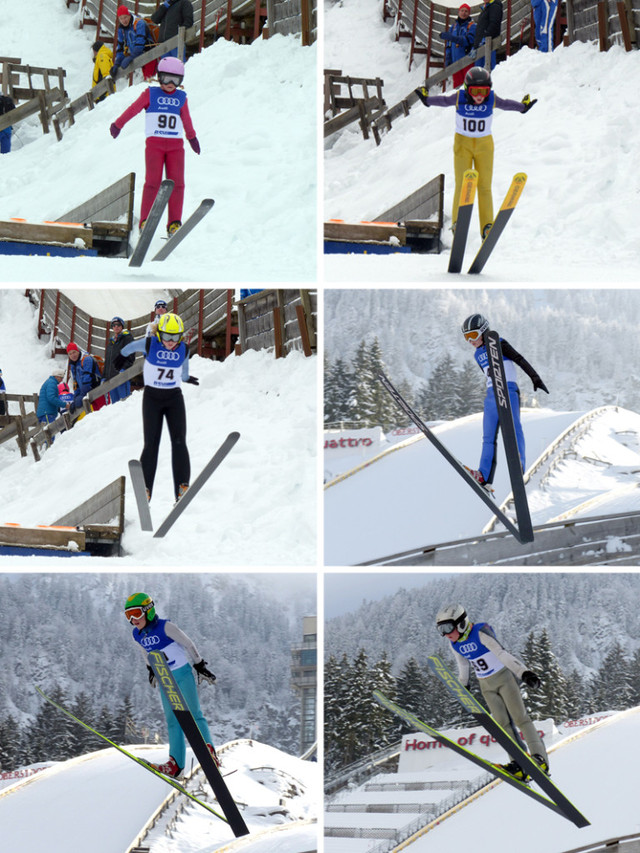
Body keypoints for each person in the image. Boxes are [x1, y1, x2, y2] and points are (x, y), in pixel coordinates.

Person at [414, 68, 536, 237]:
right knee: (462, 184)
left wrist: (522, 107)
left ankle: (487, 225)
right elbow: (443, 100)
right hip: (463, 145)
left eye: (484, 91)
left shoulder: (491, 99)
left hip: (484, 147)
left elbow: (507, 103)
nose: (479, 96)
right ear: (467, 89)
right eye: (475, 91)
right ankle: (457, 223)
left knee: (484, 187)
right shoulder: (459, 98)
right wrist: (427, 99)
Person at [436, 603, 548, 780]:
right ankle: (519, 763)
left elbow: (503, 654)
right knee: (503, 725)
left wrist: (523, 672)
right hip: (485, 685)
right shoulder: (454, 644)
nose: (446, 634)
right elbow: (463, 664)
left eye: (448, 627)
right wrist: (463, 685)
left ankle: (539, 758)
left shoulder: (480, 633)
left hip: (504, 678)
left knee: (521, 719)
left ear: (460, 623)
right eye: (440, 630)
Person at [124, 592, 219, 777]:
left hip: (182, 674)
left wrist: (199, 664)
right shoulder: (137, 634)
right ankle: (175, 764)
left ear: (148, 611)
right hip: (164, 678)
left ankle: (209, 752)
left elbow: (188, 644)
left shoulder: (166, 627)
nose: (133, 619)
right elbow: (145, 652)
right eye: (129, 615)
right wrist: (150, 669)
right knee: (173, 720)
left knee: (193, 714)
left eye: (136, 613)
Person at [110, 56, 200, 237]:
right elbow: (133, 109)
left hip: (176, 147)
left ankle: (174, 223)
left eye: (176, 80)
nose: (171, 84)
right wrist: (118, 124)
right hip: (154, 147)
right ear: (159, 77)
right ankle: (146, 220)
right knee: (153, 182)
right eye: (167, 78)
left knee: (177, 184)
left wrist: (192, 138)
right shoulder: (151, 94)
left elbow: (187, 120)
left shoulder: (181, 97)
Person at [461, 313, 548, 487]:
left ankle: (519, 466)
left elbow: (519, 359)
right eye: (466, 337)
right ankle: (484, 476)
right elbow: (487, 373)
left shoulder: (499, 344)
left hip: (508, 389)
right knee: (488, 436)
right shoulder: (477, 354)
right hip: (491, 394)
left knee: (514, 428)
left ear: (484, 331)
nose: (470, 340)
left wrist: (535, 378)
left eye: (472, 335)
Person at [121, 312, 198, 502]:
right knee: (151, 444)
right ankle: (145, 488)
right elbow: (128, 348)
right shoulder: (149, 344)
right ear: (158, 334)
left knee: (179, 441)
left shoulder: (183, 349)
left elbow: (184, 371)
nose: (171, 342)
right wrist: (122, 359)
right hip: (152, 399)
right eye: (166, 337)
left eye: (175, 337)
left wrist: (188, 378)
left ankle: (182, 486)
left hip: (174, 399)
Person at [111, 5, 156, 82]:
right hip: (139, 58)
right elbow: (120, 47)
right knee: (148, 80)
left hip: (149, 54)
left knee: (150, 80)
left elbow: (140, 44)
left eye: (125, 17)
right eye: (121, 18)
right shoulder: (121, 29)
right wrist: (117, 63)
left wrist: (130, 57)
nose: (123, 21)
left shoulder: (139, 23)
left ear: (129, 15)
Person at [440, 4, 476, 89]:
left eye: (466, 11)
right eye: (462, 11)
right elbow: (449, 44)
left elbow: (469, 40)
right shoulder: (453, 27)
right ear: (459, 12)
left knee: (469, 86)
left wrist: (453, 38)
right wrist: (448, 58)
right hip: (455, 62)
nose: (464, 13)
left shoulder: (472, 26)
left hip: (467, 61)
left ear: (469, 13)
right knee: (457, 88)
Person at [66, 342, 107, 412]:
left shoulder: (86, 359)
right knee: (93, 415)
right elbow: (76, 384)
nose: (73, 355)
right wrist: (75, 399)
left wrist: (81, 396)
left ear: (78, 351)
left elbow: (87, 379)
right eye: (70, 354)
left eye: (74, 352)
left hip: (98, 390)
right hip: (87, 394)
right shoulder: (73, 366)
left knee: (103, 412)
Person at [103, 316, 135, 404]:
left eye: (118, 325)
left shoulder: (127, 338)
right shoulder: (111, 343)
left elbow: (131, 356)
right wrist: (104, 377)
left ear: (122, 326)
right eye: (114, 325)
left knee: (124, 404)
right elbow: (107, 362)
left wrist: (124, 369)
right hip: (111, 379)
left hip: (121, 377)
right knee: (115, 405)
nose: (116, 327)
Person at [472, 0, 503, 70]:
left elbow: (494, 23)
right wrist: (475, 45)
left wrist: (486, 36)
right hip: (480, 46)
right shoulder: (486, 8)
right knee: (478, 71)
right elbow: (480, 28)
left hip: (489, 44)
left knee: (488, 69)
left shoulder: (495, 6)